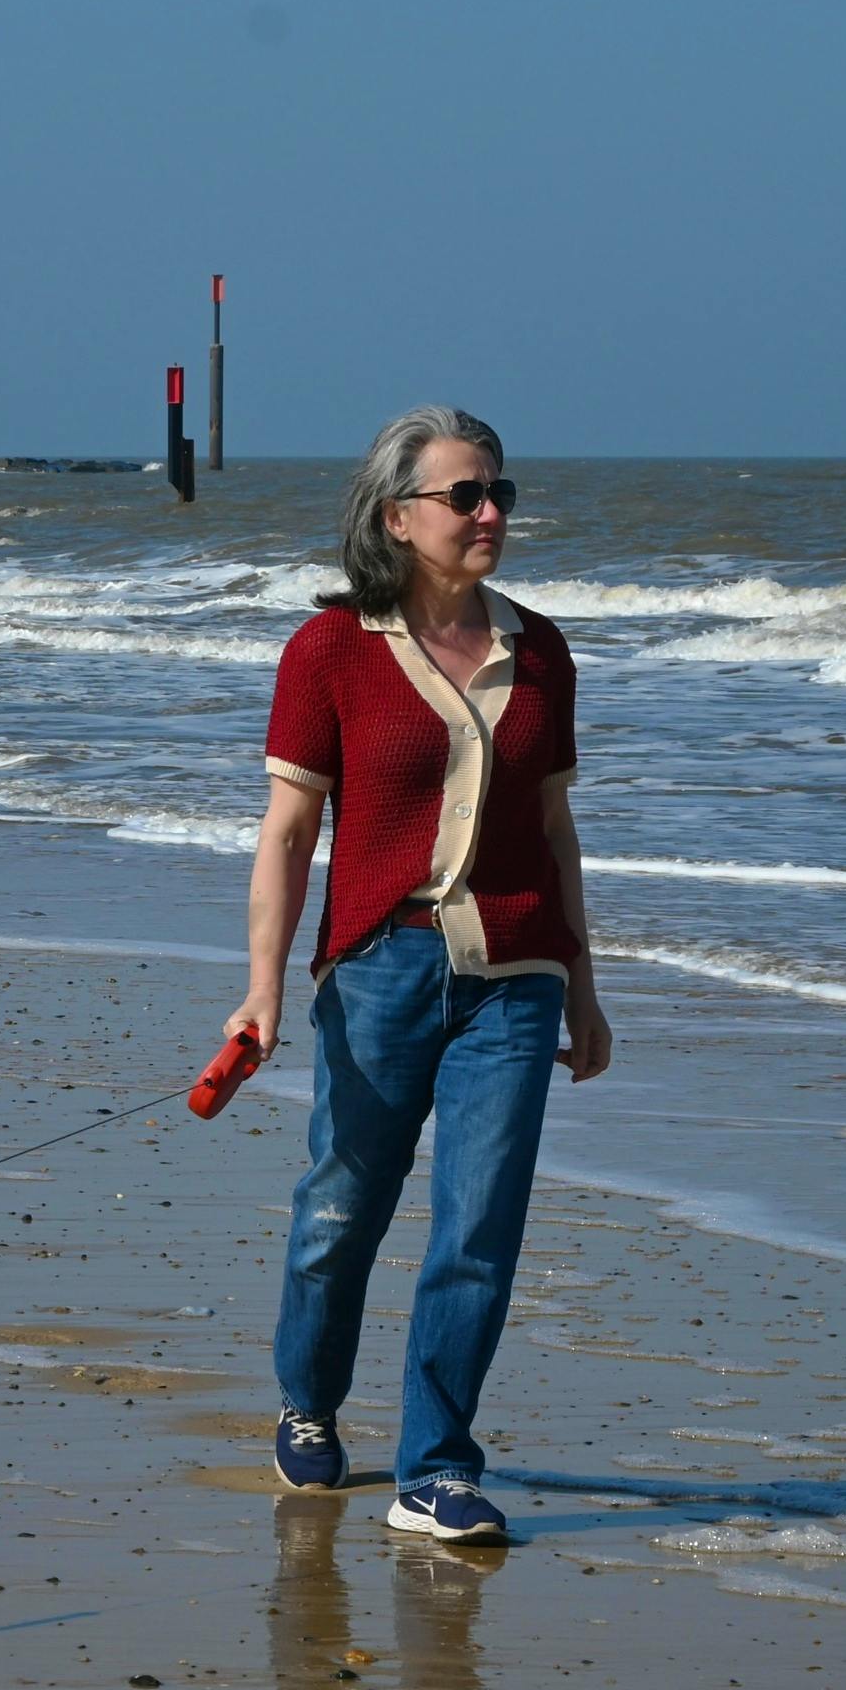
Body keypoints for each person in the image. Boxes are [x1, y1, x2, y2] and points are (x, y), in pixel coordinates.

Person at [223, 404, 611, 1543]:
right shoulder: (329, 651)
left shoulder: (539, 649)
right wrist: (262, 987)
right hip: (379, 970)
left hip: (518, 972)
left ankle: (435, 1468)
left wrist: (583, 988)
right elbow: (289, 832)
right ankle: (308, 1403)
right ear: (398, 518)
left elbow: (556, 829)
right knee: (340, 1213)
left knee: (479, 1226)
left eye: (499, 493)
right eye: (464, 495)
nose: (491, 512)